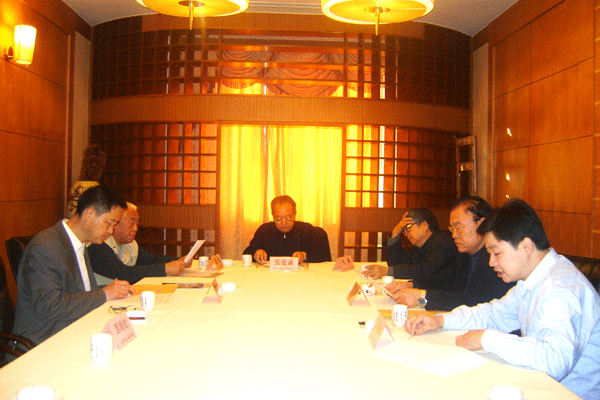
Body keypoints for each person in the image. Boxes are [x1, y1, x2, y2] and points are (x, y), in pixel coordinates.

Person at [405, 199, 600, 400]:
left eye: (497, 253)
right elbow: (493, 314)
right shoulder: (531, 281)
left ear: (526, 246)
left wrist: (489, 339)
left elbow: (555, 360)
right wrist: (440, 321)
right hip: (539, 384)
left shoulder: (561, 288)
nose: (491, 262)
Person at [12, 186, 134, 345]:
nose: (111, 231)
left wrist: (115, 290)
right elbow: (49, 306)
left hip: (74, 331)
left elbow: (81, 291)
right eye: (109, 223)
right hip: (44, 341)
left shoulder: (79, 244)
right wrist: (105, 293)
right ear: (89, 214)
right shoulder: (45, 248)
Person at [387, 196, 514, 311]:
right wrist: (413, 285)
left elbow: (475, 301)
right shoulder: (466, 254)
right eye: (452, 229)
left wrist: (422, 297)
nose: (454, 235)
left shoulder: (496, 260)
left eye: (458, 227)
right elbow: (447, 280)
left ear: (481, 224)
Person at [88, 203, 193, 284]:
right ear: (116, 223)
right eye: (131, 223)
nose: (135, 229)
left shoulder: (129, 244)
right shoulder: (98, 245)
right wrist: (165, 269)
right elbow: (123, 273)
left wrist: (178, 260)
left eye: (137, 224)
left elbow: (150, 260)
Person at [362, 208, 465, 290]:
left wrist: (387, 271)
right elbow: (396, 263)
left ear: (424, 225)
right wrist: (395, 233)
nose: (406, 234)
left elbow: (424, 270)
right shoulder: (420, 246)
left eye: (408, 228)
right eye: (404, 230)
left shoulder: (444, 243)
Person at [243, 195, 332, 264]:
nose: (284, 223)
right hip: (271, 277)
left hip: (302, 278)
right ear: (273, 215)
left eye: (289, 218)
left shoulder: (307, 231)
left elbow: (324, 257)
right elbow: (247, 254)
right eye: (278, 219)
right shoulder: (264, 231)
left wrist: (304, 256)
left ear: (295, 214)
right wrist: (256, 253)